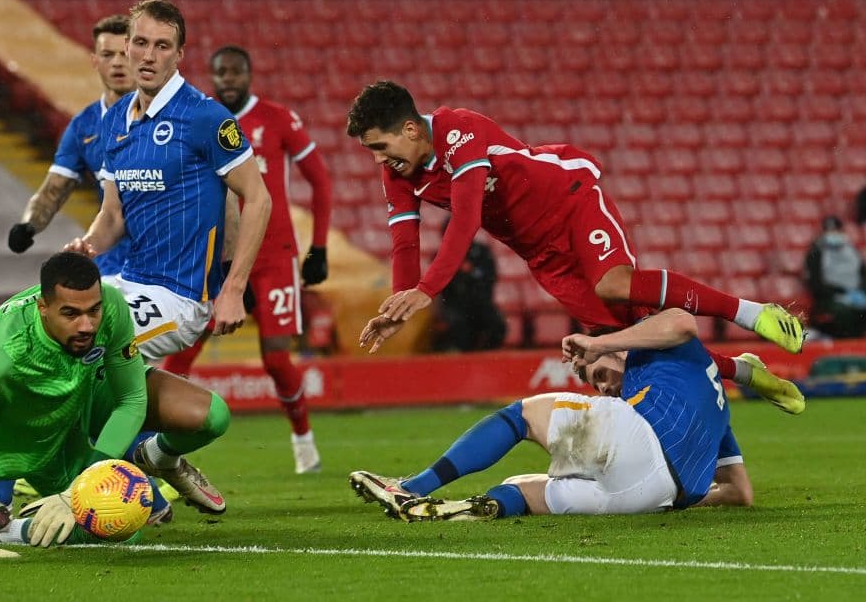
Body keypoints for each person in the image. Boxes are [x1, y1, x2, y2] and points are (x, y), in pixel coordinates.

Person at [345, 81, 805, 393]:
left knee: (614, 284)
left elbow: (466, 219)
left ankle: (752, 312)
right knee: (627, 339)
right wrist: (397, 305)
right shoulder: (398, 174)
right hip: (540, 252)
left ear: (409, 129)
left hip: (570, 199)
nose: (378, 161)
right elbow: (404, 243)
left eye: (380, 147)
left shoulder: (459, 131)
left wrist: (427, 291)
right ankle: (746, 372)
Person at [349, 308, 804, 522]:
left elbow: (685, 321)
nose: (603, 386)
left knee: (521, 416)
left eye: (601, 372)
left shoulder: (658, 347)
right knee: (521, 491)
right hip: (651, 497)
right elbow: (740, 493)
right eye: (594, 382)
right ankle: (465, 510)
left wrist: (600, 344)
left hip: (645, 440)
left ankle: (410, 488)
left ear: (624, 346)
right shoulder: (717, 407)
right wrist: (677, 498)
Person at [0, 252, 232, 559]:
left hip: (89, 391)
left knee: (211, 415)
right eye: (70, 314)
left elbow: (131, 399)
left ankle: (159, 457)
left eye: (93, 311)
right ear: (43, 307)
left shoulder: (111, 306)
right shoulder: (3, 346)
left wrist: (79, 490)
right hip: (36, 435)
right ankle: (10, 531)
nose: (87, 326)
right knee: (120, 527)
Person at [64, 0, 270, 361]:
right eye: (141, 43)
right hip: (127, 280)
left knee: (87, 345)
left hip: (181, 297)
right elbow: (113, 215)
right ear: (127, 45)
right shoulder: (114, 122)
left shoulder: (205, 117)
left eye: (162, 46)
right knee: (30, 319)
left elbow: (258, 198)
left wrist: (235, 287)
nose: (148, 56)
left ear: (179, 55)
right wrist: (90, 245)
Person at [162, 45, 333, 474]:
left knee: (276, 358)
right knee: (185, 348)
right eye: (222, 72)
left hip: (274, 257)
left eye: (237, 71)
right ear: (213, 75)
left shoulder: (277, 118)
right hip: (217, 257)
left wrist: (320, 247)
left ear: (250, 74)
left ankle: (303, 438)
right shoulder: (201, 118)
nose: (229, 79)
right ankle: (156, 444)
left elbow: (321, 180)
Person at [7, 14, 134, 278]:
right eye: (108, 55)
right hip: (110, 260)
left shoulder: (169, 119)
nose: (118, 63)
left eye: (125, 53)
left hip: (166, 260)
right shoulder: (83, 126)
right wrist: (28, 226)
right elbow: (54, 189)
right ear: (94, 61)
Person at [431, 218, 505, 352]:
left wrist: (471, 273)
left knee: (497, 325)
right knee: (458, 327)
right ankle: (463, 359)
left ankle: (486, 356)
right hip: (454, 306)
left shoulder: (481, 251)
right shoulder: (439, 255)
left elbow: (490, 277)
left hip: (480, 302)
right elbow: (439, 286)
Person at [803, 215, 866, 338]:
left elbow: (863, 274)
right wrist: (840, 292)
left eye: (836, 230)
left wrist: (859, 292)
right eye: (830, 231)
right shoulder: (816, 252)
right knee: (843, 312)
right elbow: (816, 284)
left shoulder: (852, 251)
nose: (833, 234)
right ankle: (848, 341)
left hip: (855, 295)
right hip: (829, 298)